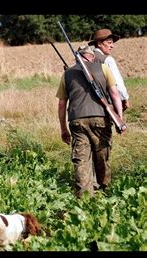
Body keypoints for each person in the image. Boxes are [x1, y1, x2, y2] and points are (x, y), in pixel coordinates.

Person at [56, 45, 125, 198]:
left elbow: (62, 104)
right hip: (100, 118)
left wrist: (63, 129)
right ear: (92, 56)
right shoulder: (104, 68)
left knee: (81, 160)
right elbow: (114, 94)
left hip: (77, 121)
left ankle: (85, 198)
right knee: (102, 156)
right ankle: (105, 191)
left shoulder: (67, 74)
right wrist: (119, 117)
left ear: (78, 58)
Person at [88, 28, 130, 111]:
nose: (112, 46)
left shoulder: (85, 58)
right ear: (99, 43)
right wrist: (124, 98)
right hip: (107, 103)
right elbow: (117, 83)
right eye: (109, 42)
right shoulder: (107, 60)